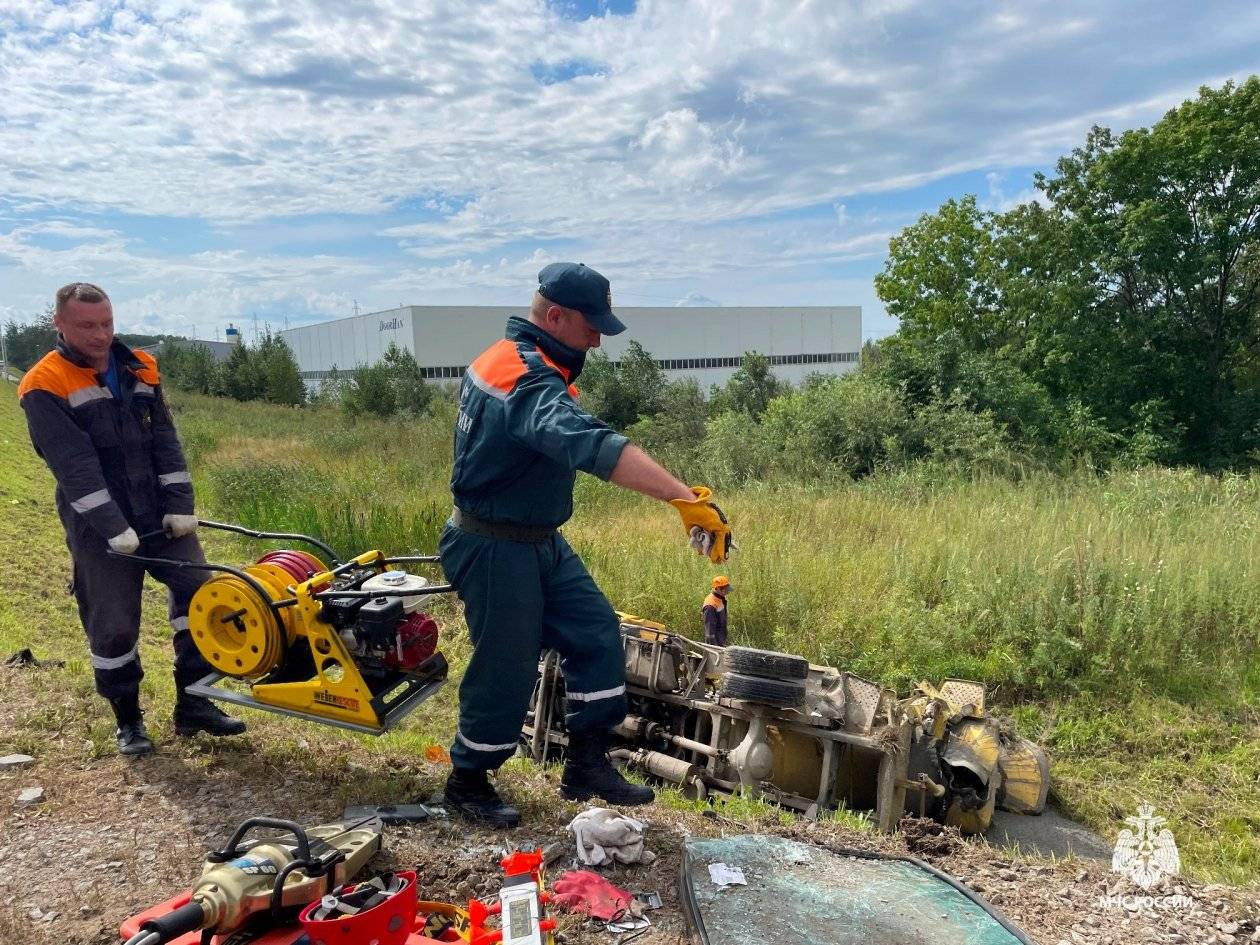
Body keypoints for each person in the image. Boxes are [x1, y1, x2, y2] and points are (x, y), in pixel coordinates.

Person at [439, 262, 732, 827]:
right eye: (591, 325)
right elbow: (586, 443)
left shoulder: (530, 365)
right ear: (554, 316)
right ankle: (467, 781)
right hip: (495, 544)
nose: (598, 337)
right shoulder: (521, 375)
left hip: (538, 539)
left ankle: (586, 765)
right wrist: (680, 498)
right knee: (508, 662)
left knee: (596, 628)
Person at [17, 282, 246, 757]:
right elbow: (74, 467)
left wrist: (180, 504)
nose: (100, 335)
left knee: (203, 596)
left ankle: (195, 703)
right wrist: (112, 526)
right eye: (87, 326)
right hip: (98, 525)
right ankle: (128, 719)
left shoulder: (140, 366)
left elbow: (166, 440)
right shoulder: (44, 384)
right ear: (58, 323)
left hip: (159, 514)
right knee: (113, 623)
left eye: (106, 323)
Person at [702, 575, 732, 647]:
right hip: (715, 645)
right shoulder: (710, 606)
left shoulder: (720, 598)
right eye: (725, 590)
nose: (727, 592)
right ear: (718, 588)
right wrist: (715, 648)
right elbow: (710, 633)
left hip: (721, 640)